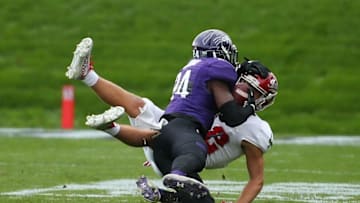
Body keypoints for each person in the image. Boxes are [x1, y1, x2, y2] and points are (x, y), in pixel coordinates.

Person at [65, 34, 278, 202]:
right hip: (184, 151)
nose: (245, 92)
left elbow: (256, 178)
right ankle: (89, 76)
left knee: (199, 195)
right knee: (142, 107)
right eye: (246, 86)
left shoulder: (253, 127)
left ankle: (113, 129)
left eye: (254, 92)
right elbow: (230, 112)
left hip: (177, 152)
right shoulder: (220, 89)